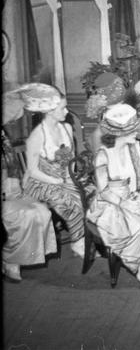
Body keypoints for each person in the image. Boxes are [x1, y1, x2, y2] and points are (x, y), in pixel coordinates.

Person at [86, 105, 140, 290]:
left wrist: (138, 201)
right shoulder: (103, 154)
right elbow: (104, 191)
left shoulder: (132, 149)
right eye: (132, 130)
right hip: (108, 204)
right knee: (138, 226)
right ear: (119, 133)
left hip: (129, 197)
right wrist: (125, 204)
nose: (136, 133)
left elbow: (139, 181)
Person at [19, 84, 85, 257]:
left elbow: (71, 159)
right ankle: (78, 243)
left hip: (63, 178)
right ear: (49, 110)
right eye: (62, 108)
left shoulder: (67, 128)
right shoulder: (37, 135)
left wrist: (70, 179)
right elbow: (33, 170)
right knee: (68, 201)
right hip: (41, 182)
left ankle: (83, 238)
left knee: (87, 195)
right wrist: (56, 181)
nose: (66, 111)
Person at [2, 130, 58, 282]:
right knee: (26, 214)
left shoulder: (5, 143)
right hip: (5, 197)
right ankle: (10, 261)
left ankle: (22, 256)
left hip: (14, 191)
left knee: (43, 211)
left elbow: (13, 173)